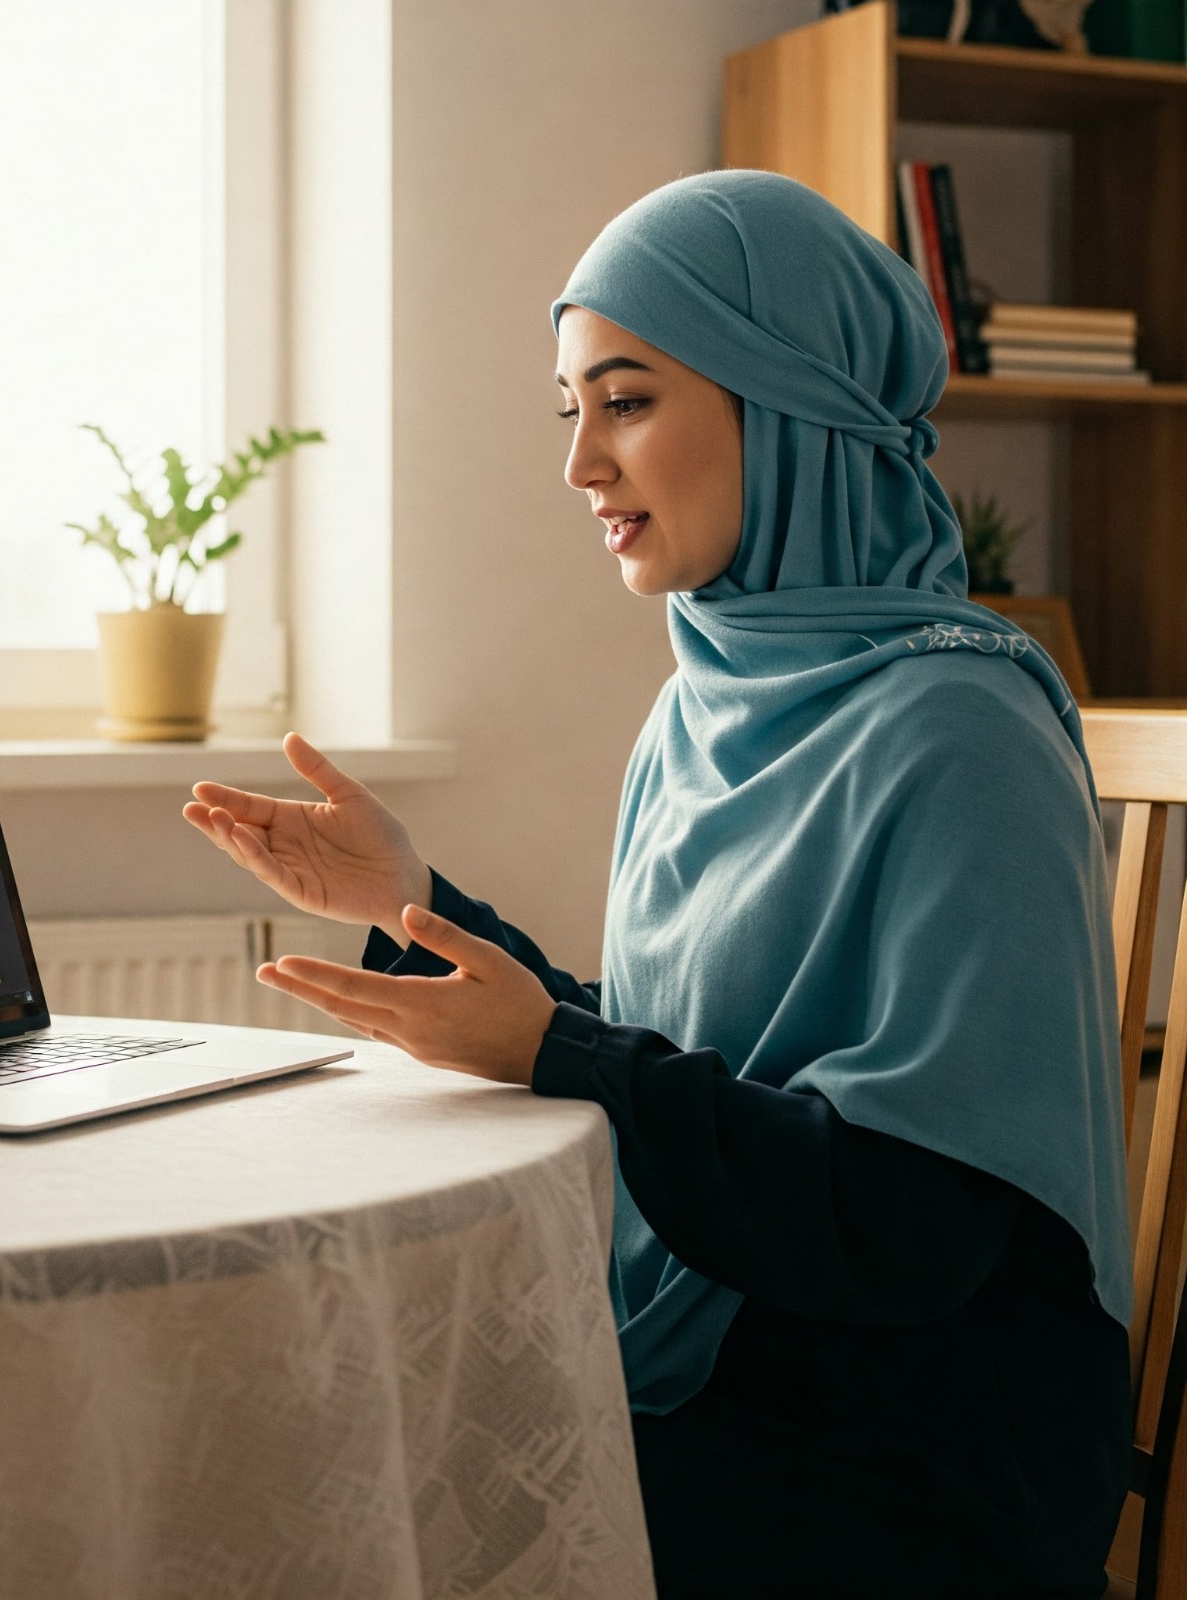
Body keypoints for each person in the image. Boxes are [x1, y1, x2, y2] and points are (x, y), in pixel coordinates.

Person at [182, 171, 1131, 1598]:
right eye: (571, 410)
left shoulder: (962, 734)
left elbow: (913, 1226)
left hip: (924, 1442)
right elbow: (685, 1063)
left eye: (625, 401)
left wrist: (558, 1051)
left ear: (792, 406)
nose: (581, 465)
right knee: (331, 1446)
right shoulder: (702, 710)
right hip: (771, 1353)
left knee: (377, 1507)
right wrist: (411, 901)